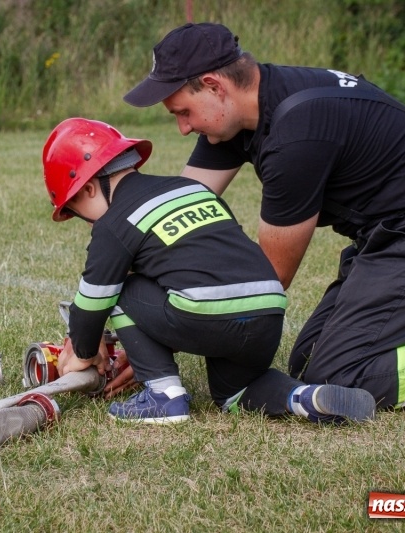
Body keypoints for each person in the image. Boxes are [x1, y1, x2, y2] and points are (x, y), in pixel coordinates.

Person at [123, 22, 405, 409]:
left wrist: (167, 327)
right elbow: (174, 214)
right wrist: (132, 329)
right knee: (309, 360)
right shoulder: (245, 113)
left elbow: (266, 283)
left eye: (183, 112)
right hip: (400, 236)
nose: (182, 128)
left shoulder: (296, 133)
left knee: (340, 375)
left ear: (214, 86)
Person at [42, 117, 376, 424]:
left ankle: (163, 395)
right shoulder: (192, 189)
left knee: (119, 289)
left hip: (205, 311)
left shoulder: (114, 223)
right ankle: (305, 397)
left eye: (76, 210)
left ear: (87, 189)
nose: (86, 223)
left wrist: (83, 353)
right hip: (268, 307)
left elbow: (91, 304)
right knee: (236, 391)